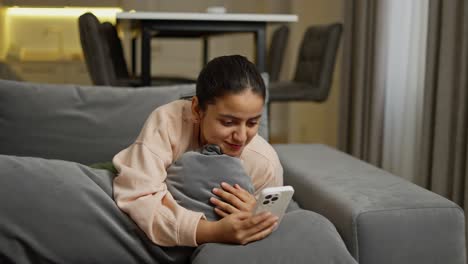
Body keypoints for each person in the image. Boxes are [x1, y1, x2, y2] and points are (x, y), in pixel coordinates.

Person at [112, 55, 282, 247]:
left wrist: (257, 216)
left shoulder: (264, 163)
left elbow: (270, 231)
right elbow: (137, 196)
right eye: (228, 122)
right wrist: (212, 232)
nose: (241, 137)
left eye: (252, 123)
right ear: (196, 109)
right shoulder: (168, 122)